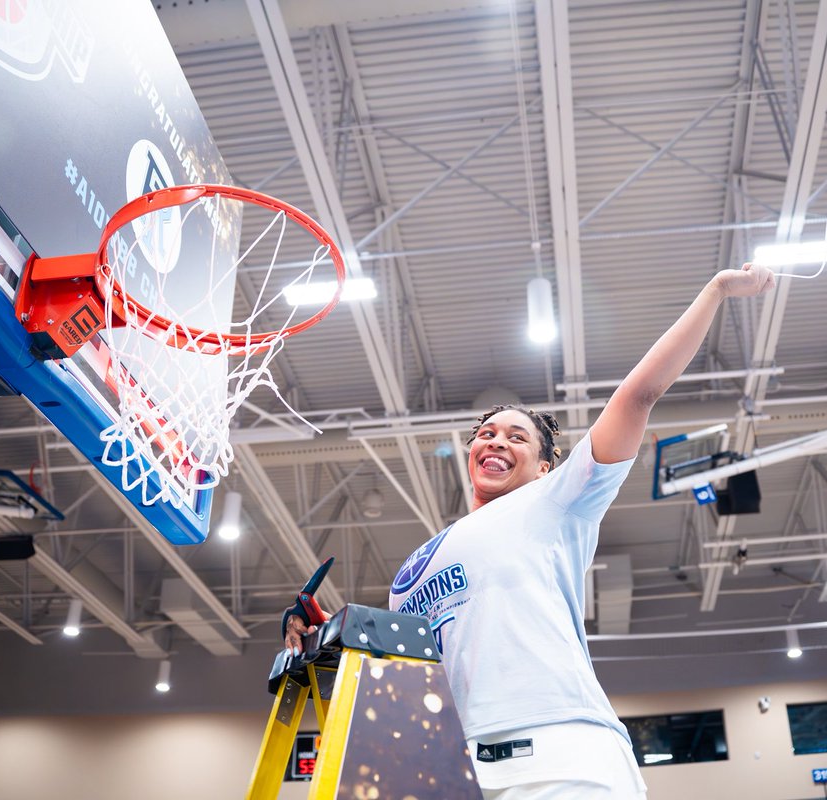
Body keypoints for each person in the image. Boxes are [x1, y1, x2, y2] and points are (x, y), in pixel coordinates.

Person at [285, 263, 775, 798]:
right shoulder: (412, 567)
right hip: (457, 766)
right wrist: (325, 636)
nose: (496, 442)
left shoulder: (557, 500)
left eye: (517, 437)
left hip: (564, 753)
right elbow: (409, 669)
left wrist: (716, 291)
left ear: (545, 467)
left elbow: (639, 395)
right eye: (487, 433)